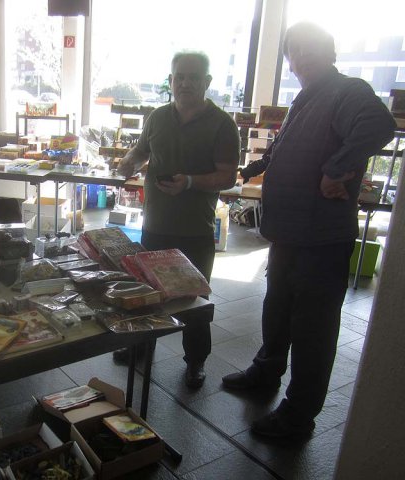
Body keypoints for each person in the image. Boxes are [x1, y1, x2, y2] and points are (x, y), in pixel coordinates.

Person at [222, 22, 396, 438]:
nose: (302, 56)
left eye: (311, 48)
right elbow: (283, 151)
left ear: (331, 52)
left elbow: (379, 125)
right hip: (289, 232)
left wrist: (336, 169)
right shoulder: (306, 98)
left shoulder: (347, 90)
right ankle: (266, 371)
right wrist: (247, 171)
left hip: (322, 238)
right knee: (277, 309)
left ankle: (298, 415)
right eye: (295, 50)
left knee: (312, 329)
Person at [116, 51, 240, 388]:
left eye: (193, 77)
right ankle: (142, 346)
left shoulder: (222, 125)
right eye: (179, 77)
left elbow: (228, 176)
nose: (185, 83)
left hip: (194, 230)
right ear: (170, 81)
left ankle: (196, 361)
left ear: (207, 82)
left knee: (194, 301)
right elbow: (141, 151)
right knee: (147, 294)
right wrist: (127, 163)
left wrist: (189, 182)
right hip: (154, 225)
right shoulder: (157, 117)